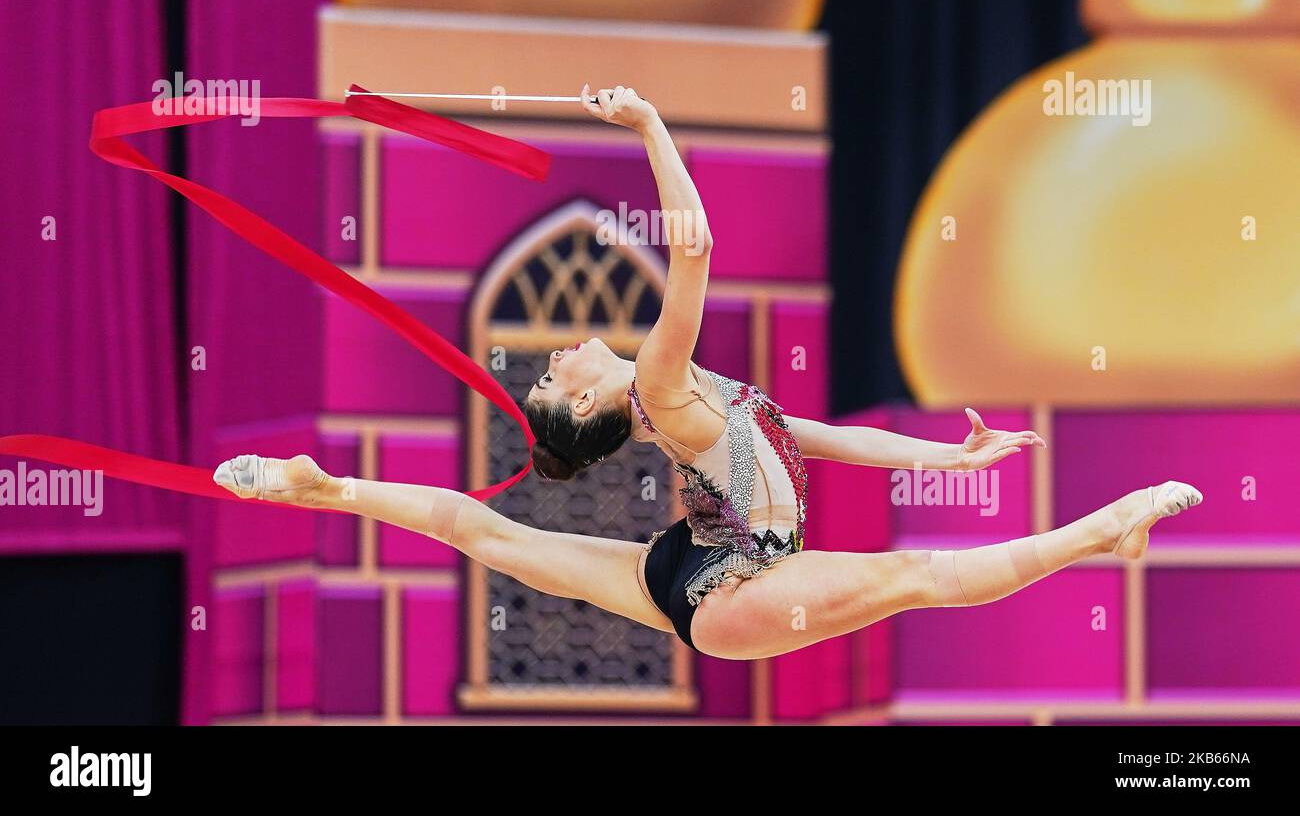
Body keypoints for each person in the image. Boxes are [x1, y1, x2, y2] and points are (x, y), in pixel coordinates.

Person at [215, 86, 1201, 659]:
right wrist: (646, 123)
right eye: (556, 378)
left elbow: (817, 437)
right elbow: (692, 244)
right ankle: (1102, 526)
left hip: (675, 566)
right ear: (597, 400)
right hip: (737, 585)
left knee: (487, 534)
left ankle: (328, 486)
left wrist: (947, 456)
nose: (557, 356)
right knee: (916, 573)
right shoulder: (658, 382)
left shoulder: (700, 399)